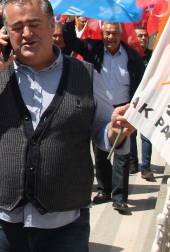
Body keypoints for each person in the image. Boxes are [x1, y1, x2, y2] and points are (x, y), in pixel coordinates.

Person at [0, 0, 133, 251]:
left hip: (66, 225)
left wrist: (115, 130)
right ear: (6, 34)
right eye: (17, 27)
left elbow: (103, 133)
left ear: (52, 26)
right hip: (5, 225)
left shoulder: (84, 74)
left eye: (34, 24)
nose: (27, 33)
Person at [62, 20, 145, 212]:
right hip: (100, 107)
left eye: (114, 33)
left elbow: (141, 82)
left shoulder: (132, 56)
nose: (110, 37)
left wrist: (136, 107)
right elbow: (70, 40)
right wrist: (70, 17)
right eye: (107, 33)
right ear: (102, 33)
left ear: (120, 34)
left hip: (124, 109)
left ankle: (119, 197)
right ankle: (104, 189)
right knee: (100, 152)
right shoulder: (93, 49)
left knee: (122, 153)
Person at [134, 26, 154, 180]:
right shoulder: (130, 55)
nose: (142, 38)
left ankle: (145, 166)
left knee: (146, 135)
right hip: (132, 100)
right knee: (130, 134)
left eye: (145, 36)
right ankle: (133, 163)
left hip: (148, 101)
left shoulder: (154, 56)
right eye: (139, 36)